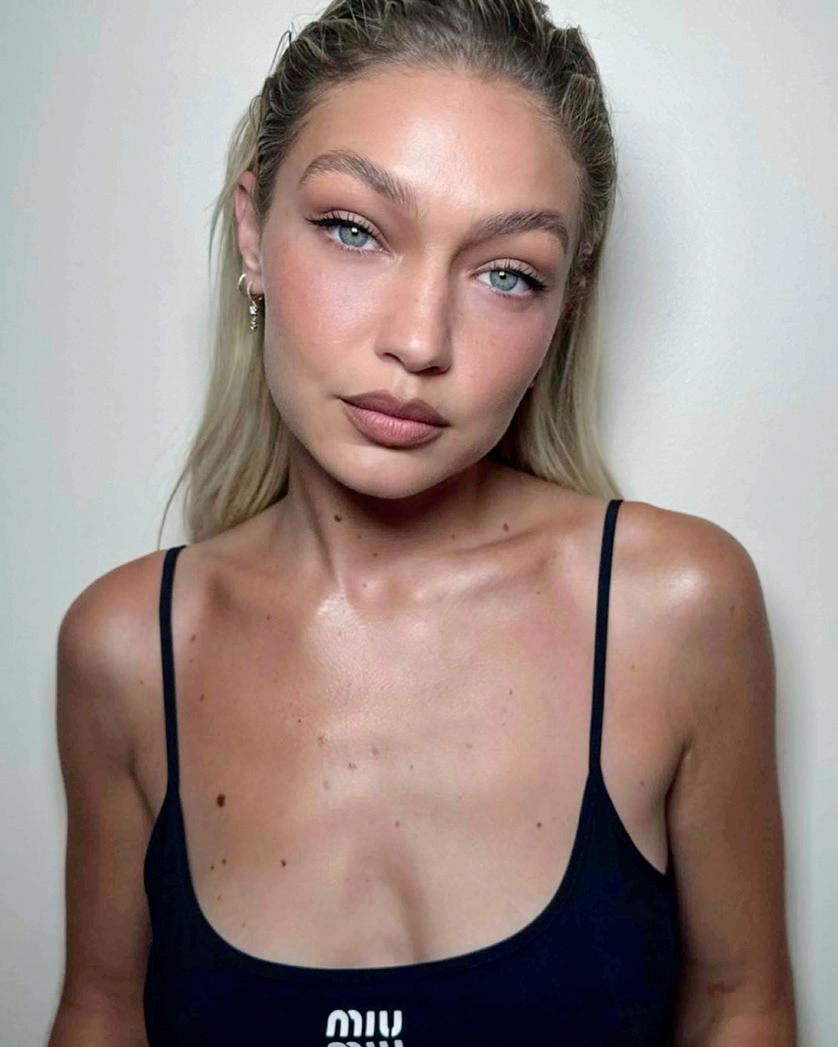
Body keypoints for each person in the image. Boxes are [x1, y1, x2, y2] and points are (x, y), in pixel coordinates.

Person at [49, 1, 797, 1044]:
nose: (419, 339)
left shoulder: (674, 610)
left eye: (506, 273)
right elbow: (100, 1010)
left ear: (566, 303)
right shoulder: (127, 649)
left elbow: (741, 1006)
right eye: (353, 230)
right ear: (253, 232)